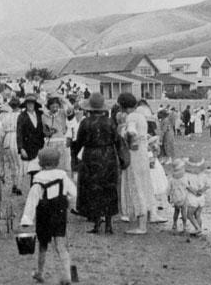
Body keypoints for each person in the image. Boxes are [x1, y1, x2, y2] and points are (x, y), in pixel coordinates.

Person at [19, 147, 77, 285]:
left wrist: (27, 219)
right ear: (57, 162)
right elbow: (73, 192)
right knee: (61, 244)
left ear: (41, 163)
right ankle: (68, 274)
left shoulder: (38, 180)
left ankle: (40, 272)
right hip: (60, 212)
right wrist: (69, 203)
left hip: (44, 214)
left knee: (43, 245)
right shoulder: (63, 176)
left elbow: (32, 201)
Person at [71, 92, 120, 234]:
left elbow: (79, 141)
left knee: (93, 189)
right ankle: (109, 224)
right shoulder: (110, 121)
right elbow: (117, 140)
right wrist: (121, 159)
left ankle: (97, 223)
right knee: (108, 188)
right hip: (108, 155)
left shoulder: (86, 122)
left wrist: (74, 155)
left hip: (91, 156)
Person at [118, 92, 155, 234]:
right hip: (143, 153)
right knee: (143, 184)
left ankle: (141, 226)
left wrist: (127, 137)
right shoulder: (141, 115)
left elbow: (132, 132)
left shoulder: (131, 117)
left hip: (134, 153)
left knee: (135, 184)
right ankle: (143, 221)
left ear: (122, 106)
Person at [16, 94, 46, 187]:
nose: (30, 105)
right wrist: (21, 148)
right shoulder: (22, 116)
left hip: (41, 145)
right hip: (29, 146)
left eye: (32, 103)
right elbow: (19, 133)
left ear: (35, 104)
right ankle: (33, 193)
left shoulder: (40, 114)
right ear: (25, 105)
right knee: (34, 172)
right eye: (28, 103)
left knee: (42, 170)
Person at [0, 99, 23, 195]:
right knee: (19, 164)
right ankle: (18, 186)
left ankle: (14, 184)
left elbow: (1, 131)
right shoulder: (21, 116)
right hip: (17, 137)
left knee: (12, 164)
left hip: (7, 138)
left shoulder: (6, 116)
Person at [42, 94, 71, 176]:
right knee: (50, 168)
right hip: (49, 144)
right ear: (49, 106)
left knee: (61, 168)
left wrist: (64, 99)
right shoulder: (44, 116)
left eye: (56, 106)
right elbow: (44, 131)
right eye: (53, 107)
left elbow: (71, 109)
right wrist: (48, 132)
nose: (55, 108)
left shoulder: (62, 113)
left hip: (61, 144)